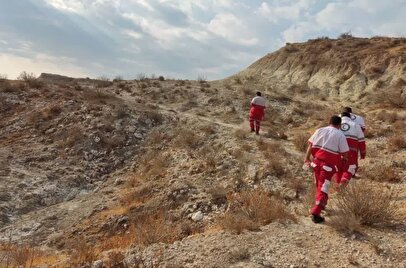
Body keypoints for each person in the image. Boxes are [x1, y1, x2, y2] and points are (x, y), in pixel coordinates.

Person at [304, 116, 349, 223]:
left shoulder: (319, 130)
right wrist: (344, 160)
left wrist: (306, 158)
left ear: (329, 122)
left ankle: (322, 204)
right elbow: (345, 153)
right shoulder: (340, 135)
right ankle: (316, 211)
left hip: (316, 162)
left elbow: (310, 146)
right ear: (339, 125)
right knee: (323, 186)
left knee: (319, 185)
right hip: (327, 166)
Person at [334, 112, 366, 186]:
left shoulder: (336, 125)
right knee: (351, 168)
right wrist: (363, 152)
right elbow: (361, 140)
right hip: (351, 151)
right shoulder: (355, 125)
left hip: (338, 150)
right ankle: (343, 182)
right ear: (350, 117)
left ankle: (337, 186)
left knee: (338, 168)